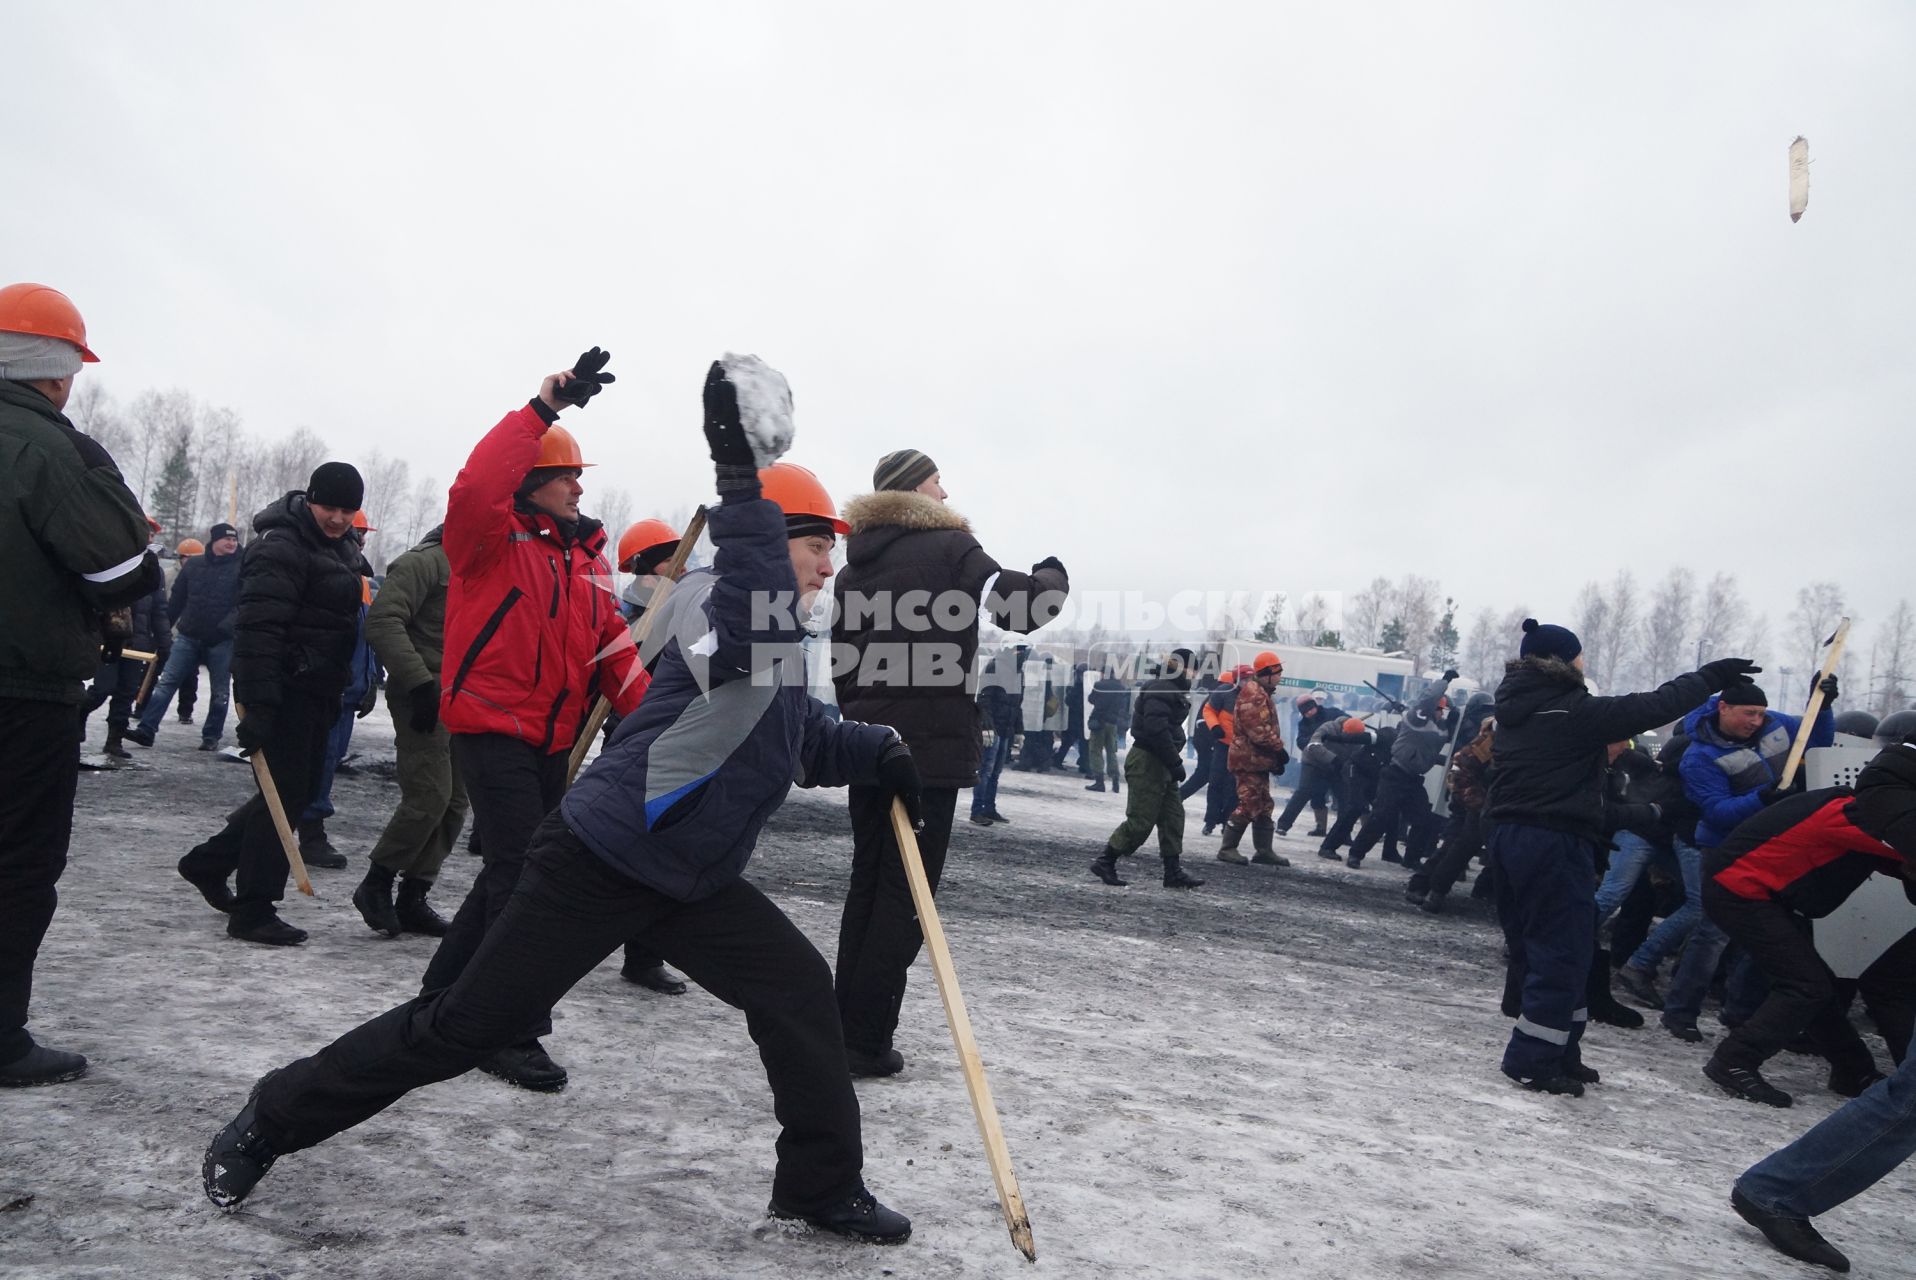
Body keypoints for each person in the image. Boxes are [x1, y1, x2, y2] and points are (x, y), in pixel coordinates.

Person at [201, 359, 924, 1246]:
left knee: (798, 992)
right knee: (460, 1029)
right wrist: (737, 473)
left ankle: (820, 1187)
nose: (831, 566)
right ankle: (274, 1115)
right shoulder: (735, 608)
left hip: (688, 877)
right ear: (780, 542)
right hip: (600, 859)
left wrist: (877, 751)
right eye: (821, 547)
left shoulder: (775, 644)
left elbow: (797, 737)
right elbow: (749, 575)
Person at [420, 349, 648, 1091]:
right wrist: (543, 410)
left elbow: (612, 649)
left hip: (552, 739)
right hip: (491, 727)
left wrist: (657, 720)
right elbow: (478, 482)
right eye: (564, 474)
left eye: (580, 475)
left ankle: (442, 995)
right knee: (528, 880)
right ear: (529, 483)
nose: (579, 486)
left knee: (511, 876)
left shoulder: (586, 562)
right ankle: (508, 1028)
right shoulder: (486, 542)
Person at [830, 447, 1067, 1076]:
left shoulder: (852, 566)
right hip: (927, 755)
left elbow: (841, 658)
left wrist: (864, 722)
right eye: (937, 480)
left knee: (868, 884)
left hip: (869, 748)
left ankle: (840, 1025)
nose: (946, 490)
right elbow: (1024, 609)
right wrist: (1053, 575)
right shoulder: (952, 547)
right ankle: (864, 1040)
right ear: (915, 490)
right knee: (905, 898)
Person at [0, 282, 158, 1085]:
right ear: (58, 371)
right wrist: (106, 484)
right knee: (19, 863)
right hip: (24, 692)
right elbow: (126, 570)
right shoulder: (47, 448)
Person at [1486, 617, 1747, 1096]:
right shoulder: (1570, 710)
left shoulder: (1518, 707)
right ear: (1565, 661)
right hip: (1552, 841)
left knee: (1559, 947)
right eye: (1580, 655)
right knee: (1562, 951)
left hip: (1510, 835)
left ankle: (1561, 1047)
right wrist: (1711, 677)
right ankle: (1532, 1059)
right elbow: (1655, 705)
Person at [175, 463, 372, 946]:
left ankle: (209, 862)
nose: (339, 518)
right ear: (310, 500)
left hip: (321, 688)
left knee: (295, 793)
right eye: (330, 507)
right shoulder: (280, 546)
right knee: (282, 796)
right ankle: (253, 909)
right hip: (283, 689)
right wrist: (258, 704)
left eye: (348, 510)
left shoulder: (345, 550)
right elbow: (259, 629)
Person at [1695, 742, 1915, 1108]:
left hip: (1752, 891)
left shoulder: (1857, 810)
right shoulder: (1850, 815)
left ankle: (1853, 1070)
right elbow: (1901, 850)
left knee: (1819, 986)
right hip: (1741, 890)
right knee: (1805, 985)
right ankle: (1734, 1061)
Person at [1660, 678, 1839, 1042]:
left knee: (1764, 935)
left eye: (1759, 713)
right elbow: (1716, 811)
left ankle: (1740, 1011)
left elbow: (1816, 741)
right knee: (1713, 933)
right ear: (1723, 708)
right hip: (1725, 848)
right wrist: (1765, 798)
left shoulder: (1776, 724)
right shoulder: (1699, 756)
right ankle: (1680, 1011)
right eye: (1748, 714)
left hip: (1772, 846)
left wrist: (1821, 704)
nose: (1756, 721)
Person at [353, 523, 465, 939]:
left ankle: (414, 896)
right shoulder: (425, 562)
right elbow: (383, 622)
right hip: (425, 694)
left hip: (466, 698)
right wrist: (419, 684)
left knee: (454, 802)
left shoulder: (484, 565)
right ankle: (377, 882)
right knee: (429, 795)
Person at [296, 512, 381, 869]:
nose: (359, 538)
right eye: (355, 531)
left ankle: (266, 822)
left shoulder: (362, 580)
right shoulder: (323, 571)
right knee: (315, 763)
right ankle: (309, 833)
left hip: (349, 691)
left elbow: (368, 639)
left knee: (325, 763)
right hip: (326, 687)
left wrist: (371, 678)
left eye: (362, 533)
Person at [1090, 649, 1205, 889]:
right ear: (1183, 667)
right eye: (1193, 668)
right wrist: (1174, 761)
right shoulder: (1162, 688)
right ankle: (1106, 860)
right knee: (1141, 820)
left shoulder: (1171, 688)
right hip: (1148, 761)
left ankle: (1172, 872)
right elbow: (1156, 729)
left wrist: (1171, 761)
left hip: (1161, 761)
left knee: (1173, 817)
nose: (1196, 674)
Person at [130, 522, 242, 750]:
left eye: (234, 539)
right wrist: (161, 633)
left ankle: (211, 736)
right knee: (166, 683)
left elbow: (245, 603)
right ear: (215, 541)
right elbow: (176, 602)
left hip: (222, 640)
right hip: (189, 636)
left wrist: (226, 628)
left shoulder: (242, 568)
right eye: (226, 539)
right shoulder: (194, 565)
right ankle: (146, 729)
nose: (231, 543)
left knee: (220, 691)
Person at [83, 525, 171, 760]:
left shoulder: (154, 570)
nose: (149, 538)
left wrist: (164, 642)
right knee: (101, 689)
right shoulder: (114, 561)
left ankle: (114, 740)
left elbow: (159, 610)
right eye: (145, 533)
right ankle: (76, 720)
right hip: (111, 639)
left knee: (126, 693)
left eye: (151, 535)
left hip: (140, 643)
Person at [1343, 685, 1450, 869]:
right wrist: (1444, 681)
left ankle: (1412, 859)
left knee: (1423, 819)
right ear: (1433, 708)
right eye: (1440, 710)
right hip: (1395, 775)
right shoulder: (1416, 721)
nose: (1443, 714)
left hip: (1413, 779)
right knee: (1381, 817)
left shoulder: (1438, 729)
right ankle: (1356, 853)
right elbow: (1426, 698)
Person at [1216, 651, 1292, 868]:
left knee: (1264, 804)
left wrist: (1274, 757)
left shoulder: (1261, 693)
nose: (1280, 676)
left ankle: (1264, 850)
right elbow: (1259, 732)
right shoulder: (1255, 695)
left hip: (1257, 760)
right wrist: (1279, 751)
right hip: (1248, 760)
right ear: (1266, 673)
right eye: (1277, 672)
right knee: (1249, 803)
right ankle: (1227, 849)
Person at [970, 642, 1025, 825]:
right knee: (986, 770)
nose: (1023, 653)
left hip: (1005, 728)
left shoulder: (1018, 671)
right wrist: (986, 727)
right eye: (1020, 649)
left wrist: (1019, 730)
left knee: (994, 772)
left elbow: (1017, 705)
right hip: (994, 728)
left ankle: (989, 808)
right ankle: (977, 810)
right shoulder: (994, 666)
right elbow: (984, 699)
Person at [1276, 690, 1342, 837]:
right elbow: (1301, 742)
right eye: (1305, 712)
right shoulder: (1303, 724)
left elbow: (1347, 723)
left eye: (1311, 709)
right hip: (1313, 762)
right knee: (1303, 792)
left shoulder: (1333, 714)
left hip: (1334, 760)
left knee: (1341, 796)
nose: (1310, 713)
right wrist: (1315, 741)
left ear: (1315, 705)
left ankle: (1343, 834)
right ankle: (1283, 825)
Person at [1083, 661, 1129, 794]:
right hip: (1113, 723)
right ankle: (1115, 781)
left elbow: (1091, 699)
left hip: (1099, 722)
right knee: (1111, 752)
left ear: (1103, 674)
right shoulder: (1120, 688)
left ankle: (1099, 782)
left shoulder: (1099, 685)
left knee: (1095, 751)